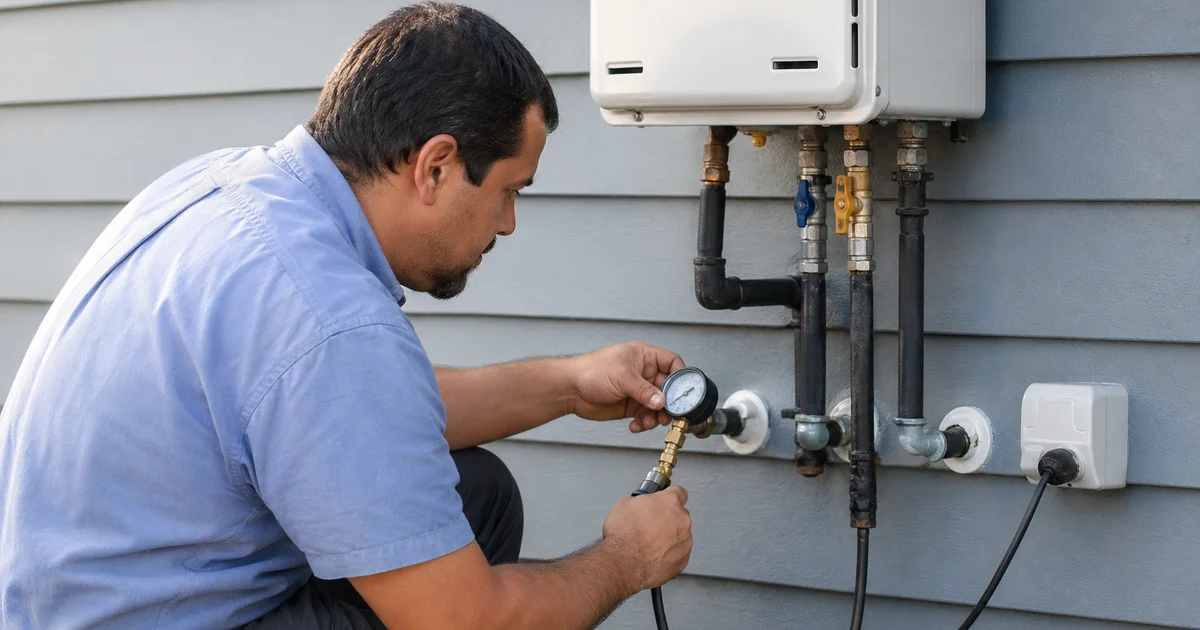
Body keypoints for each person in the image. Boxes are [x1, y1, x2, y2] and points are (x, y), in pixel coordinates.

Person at [0, 3, 695, 628]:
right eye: (511, 190)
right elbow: (466, 622)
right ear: (436, 168)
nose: (508, 224)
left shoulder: (222, 188)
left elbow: (356, 414)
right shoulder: (325, 312)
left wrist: (572, 384)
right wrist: (626, 559)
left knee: (476, 492)